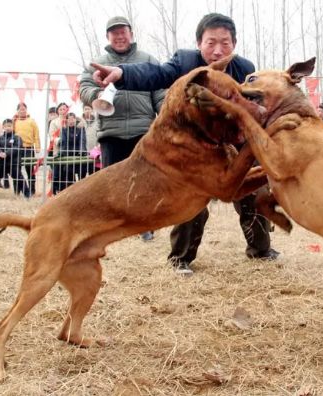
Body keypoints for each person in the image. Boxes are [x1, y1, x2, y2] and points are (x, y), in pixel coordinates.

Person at [90, 13, 280, 274]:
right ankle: (180, 258)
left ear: (233, 45)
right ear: (199, 43)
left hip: (234, 142)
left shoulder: (244, 69)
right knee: (192, 200)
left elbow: (255, 106)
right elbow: (155, 74)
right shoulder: (185, 62)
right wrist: (122, 73)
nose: (217, 50)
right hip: (193, 150)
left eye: (225, 43)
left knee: (254, 193)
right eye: (210, 42)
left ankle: (261, 250)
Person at [80, 16, 165, 242]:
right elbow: (83, 88)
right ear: (108, 37)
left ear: (131, 34)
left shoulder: (147, 59)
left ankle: (144, 225)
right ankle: (114, 225)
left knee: (144, 180)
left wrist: (163, 117)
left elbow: (160, 92)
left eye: (123, 32)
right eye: (114, 33)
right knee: (112, 182)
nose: (119, 36)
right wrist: (95, 95)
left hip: (143, 130)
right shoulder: (97, 62)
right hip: (110, 130)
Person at [0, 119, 30, 197]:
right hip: (1, 163)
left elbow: (17, 147)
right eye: (6, 126)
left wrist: (6, 153)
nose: (8, 128)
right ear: (3, 127)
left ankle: (27, 194)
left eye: (9, 126)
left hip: (13, 163)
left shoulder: (17, 138)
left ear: (13, 127)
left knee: (19, 178)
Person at [55, 112, 88, 193]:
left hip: (79, 155)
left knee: (82, 174)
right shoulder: (64, 130)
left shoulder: (80, 129)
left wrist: (82, 151)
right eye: (69, 119)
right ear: (66, 120)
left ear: (75, 119)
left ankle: (82, 192)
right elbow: (63, 142)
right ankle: (71, 192)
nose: (71, 121)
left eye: (73, 118)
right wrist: (62, 152)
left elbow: (82, 141)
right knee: (69, 175)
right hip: (68, 155)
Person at [13, 103, 41, 196]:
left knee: (30, 170)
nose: (22, 111)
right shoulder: (15, 121)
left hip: (29, 148)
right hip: (17, 148)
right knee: (17, 170)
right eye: (20, 109)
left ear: (26, 110)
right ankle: (17, 191)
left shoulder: (31, 121)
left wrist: (37, 147)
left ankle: (32, 190)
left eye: (24, 109)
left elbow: (36, 134)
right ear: (17, 111)